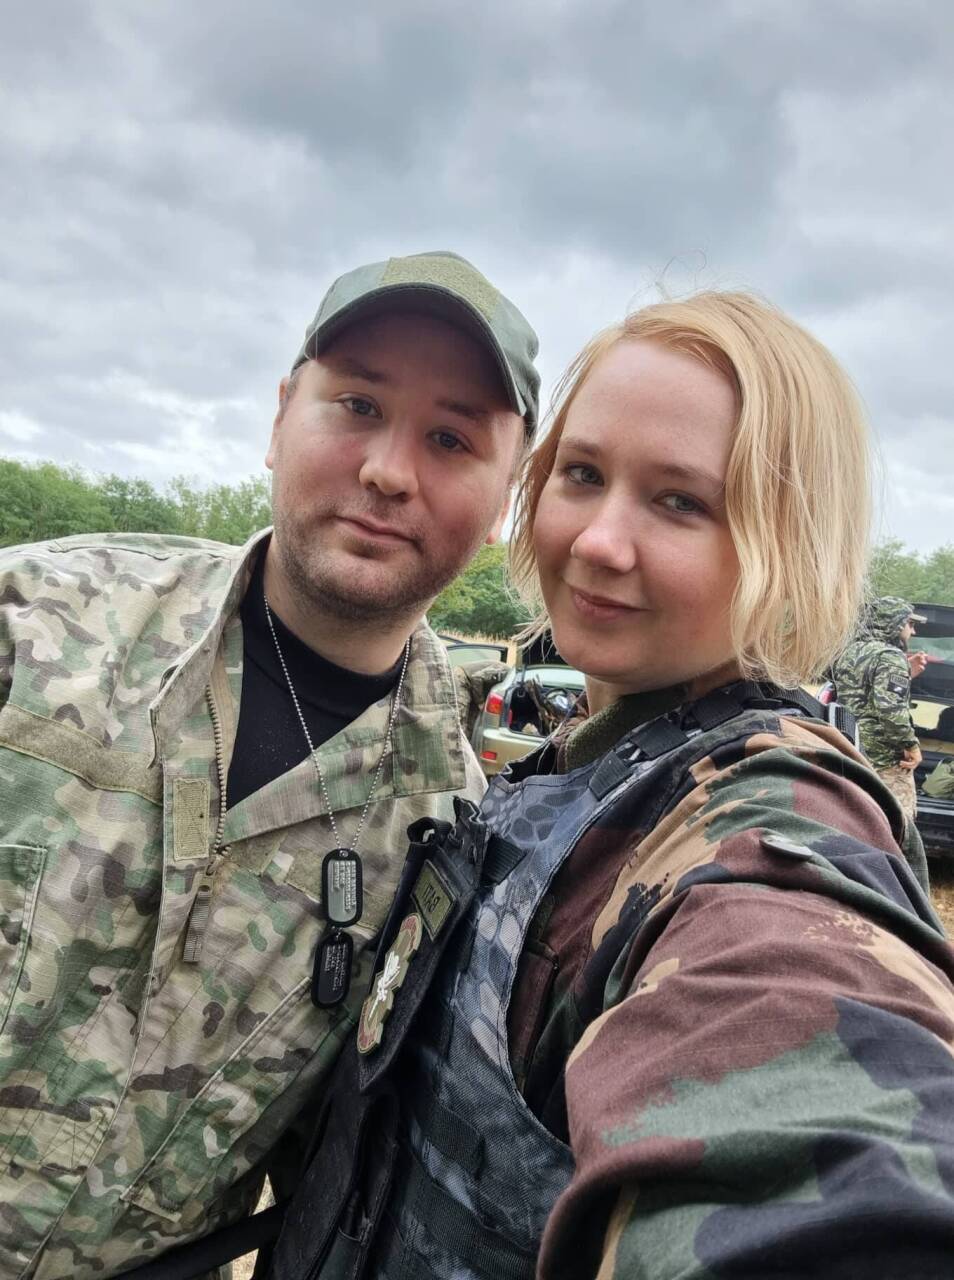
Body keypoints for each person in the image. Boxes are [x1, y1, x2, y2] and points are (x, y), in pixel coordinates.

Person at [270, 291, 954, 1280]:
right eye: (583, 474)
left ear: (789, 540)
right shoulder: (584, 757)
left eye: (681, 502)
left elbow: (806, 1073)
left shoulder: (769, 813)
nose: (598, 540)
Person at [0, 251, 540, 1278]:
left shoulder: (452, 846)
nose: (389, 471)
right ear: (281, 414)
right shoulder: (34, 624)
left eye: (450, 438)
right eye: (358, 405)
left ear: (507, 497)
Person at [831, 596, 927, 825]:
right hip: (884, 761)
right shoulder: (890, 656)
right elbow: (890, 709)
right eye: (910, 623)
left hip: (849, 750)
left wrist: (906, 673)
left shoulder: (848, 652)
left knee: (853, 822)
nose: (913, 631)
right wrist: (911, 745)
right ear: (893, 621)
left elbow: (859, 696)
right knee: (897, 825)